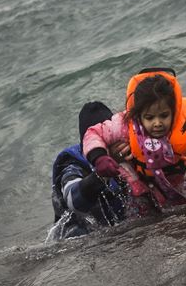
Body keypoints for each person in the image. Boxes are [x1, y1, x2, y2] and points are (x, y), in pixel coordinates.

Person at [82, 68, 186, 208]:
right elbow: (93, 134)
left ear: (174, 111)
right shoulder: (124, 124)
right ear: (138, 115)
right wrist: (99, 158)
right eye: (149, 117)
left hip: (178, 189)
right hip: (138, 195)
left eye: (164, 115)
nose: (157, 123)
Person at [50, 101, 147, 239]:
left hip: (119, 234)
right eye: (101, 140)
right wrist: (102, 172)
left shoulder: (125, 149)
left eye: (111, 137)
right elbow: (73, 200)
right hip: (76, 245)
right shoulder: (72, 164)